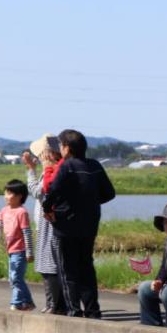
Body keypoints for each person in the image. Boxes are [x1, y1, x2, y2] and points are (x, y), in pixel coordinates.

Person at [43, 129, 115, 318]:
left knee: (68, 271)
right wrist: (89, 203)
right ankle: (93, 311)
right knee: (86, 268)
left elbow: (53, 191)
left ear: (66, 148)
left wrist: (47, 209)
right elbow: (109, 193)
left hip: (65, 225)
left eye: (61, 145)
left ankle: (74, 311)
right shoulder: (95, 165)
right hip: (89, 224)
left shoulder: (67, 166)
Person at [23, 134, 66, 314]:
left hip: (51, 225)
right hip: (51, 224)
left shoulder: (52, 170)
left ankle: (53, 305)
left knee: (48, 265)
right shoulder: (58, 168)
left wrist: (30, 170)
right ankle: (59, 305)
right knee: (55, 265)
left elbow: (38, 191)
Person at [0, 179, 36, 311]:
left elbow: (27, 233)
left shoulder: (22, 212)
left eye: (9, 193)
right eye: (5, 193)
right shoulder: (4, 210)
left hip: (20, 250)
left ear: (19, 196)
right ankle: (28, 302)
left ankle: (16, 302)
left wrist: (29, 252)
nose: (5, 196)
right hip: (10, 250)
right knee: (13, 279)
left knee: (16, 277)